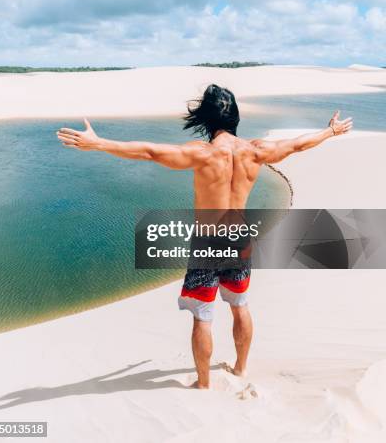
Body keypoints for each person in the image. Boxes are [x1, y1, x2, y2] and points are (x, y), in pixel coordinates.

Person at [57, 84, 353, 389]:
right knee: (240, 305)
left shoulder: (203, 154)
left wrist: (99, 143)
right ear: (235, 118)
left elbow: (149, 152)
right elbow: (297, 145)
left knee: (203, 315)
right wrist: (330, 132)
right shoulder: (256, 151)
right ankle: (240, 370)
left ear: (206, 120)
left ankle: (203, 383)